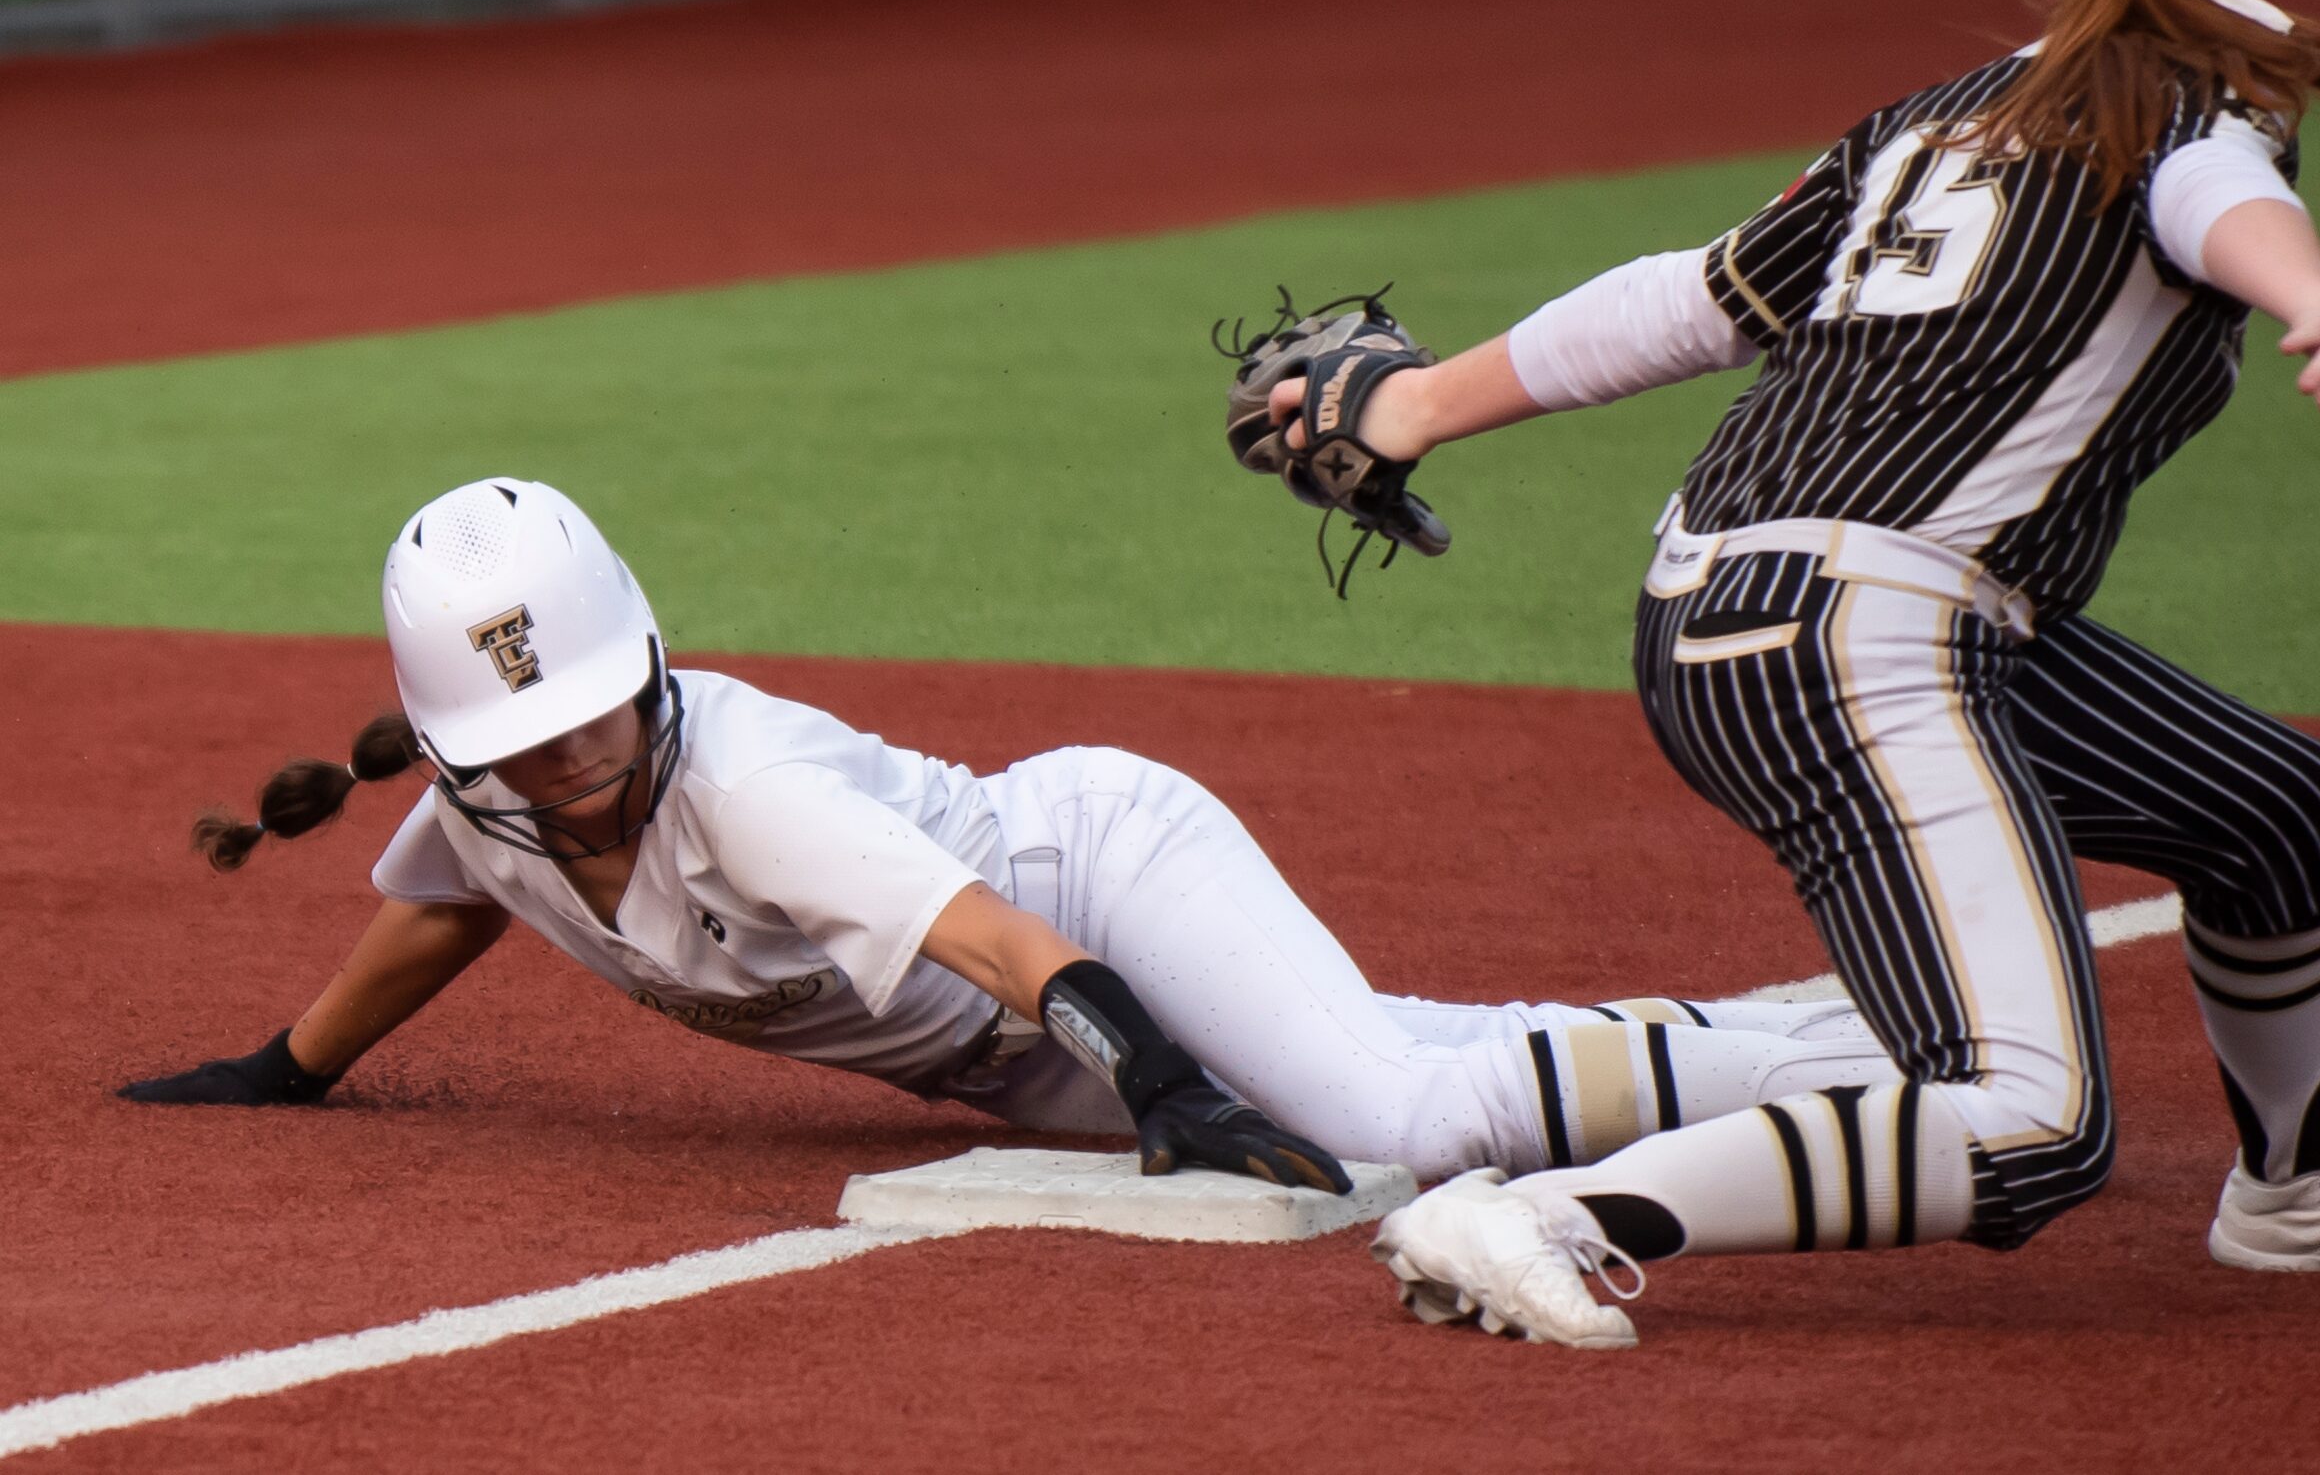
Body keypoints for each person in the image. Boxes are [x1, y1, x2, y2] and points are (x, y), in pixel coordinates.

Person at [1264, 0, 2320, 1347]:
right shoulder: (2206, 120)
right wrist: (2310, 296)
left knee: (2272, 810)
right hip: (1853, 637)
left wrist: (1416, 404)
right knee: (2028, 1126)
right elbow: (2214, 195)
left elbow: (1689, 297)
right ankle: (1536, 1215)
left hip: (1770, 603)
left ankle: (2295, 1192)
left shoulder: (1928, 125)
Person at [122, 477, 1898, 1195]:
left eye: (591, 709)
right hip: (1007, 1059)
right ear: (457, 740)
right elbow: (449, 904)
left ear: (645, 658)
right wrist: (288, 1067)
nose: (576, 761)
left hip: (1091, 884)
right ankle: (1840, 1040)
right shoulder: (492, 804)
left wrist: (1142, 1060)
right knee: (1422, 1074)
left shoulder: (743, 790)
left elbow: (980, 928)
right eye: (526, 737)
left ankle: (1896, 1095)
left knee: (1395, 1122)